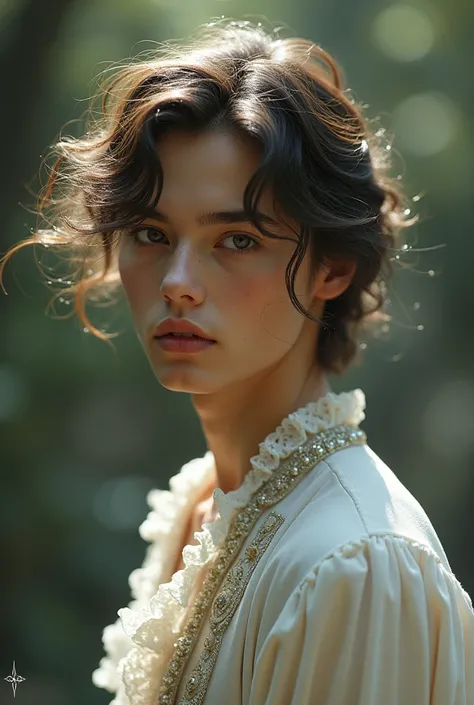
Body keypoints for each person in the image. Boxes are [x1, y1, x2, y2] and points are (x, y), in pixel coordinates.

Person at [1, 17, 473, 705]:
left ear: (332, 268)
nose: (177, 281)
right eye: (151, 233)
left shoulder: (358, 564)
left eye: (238, 240)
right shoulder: (203, 502)